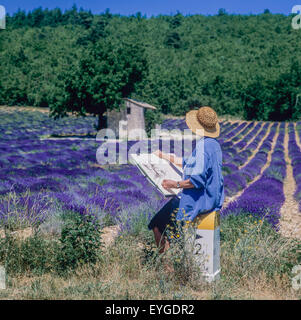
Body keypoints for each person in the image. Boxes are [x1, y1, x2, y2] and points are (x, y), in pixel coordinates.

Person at [148, 106, 224, 254]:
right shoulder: (214, 145)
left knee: (157, 225)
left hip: (197, 201)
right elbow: (189, 161)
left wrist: (174, 184)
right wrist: (165, 156)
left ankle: (167, 267)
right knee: (172, 229)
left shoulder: (203, 147)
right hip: (212, 200)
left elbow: (196, 181)